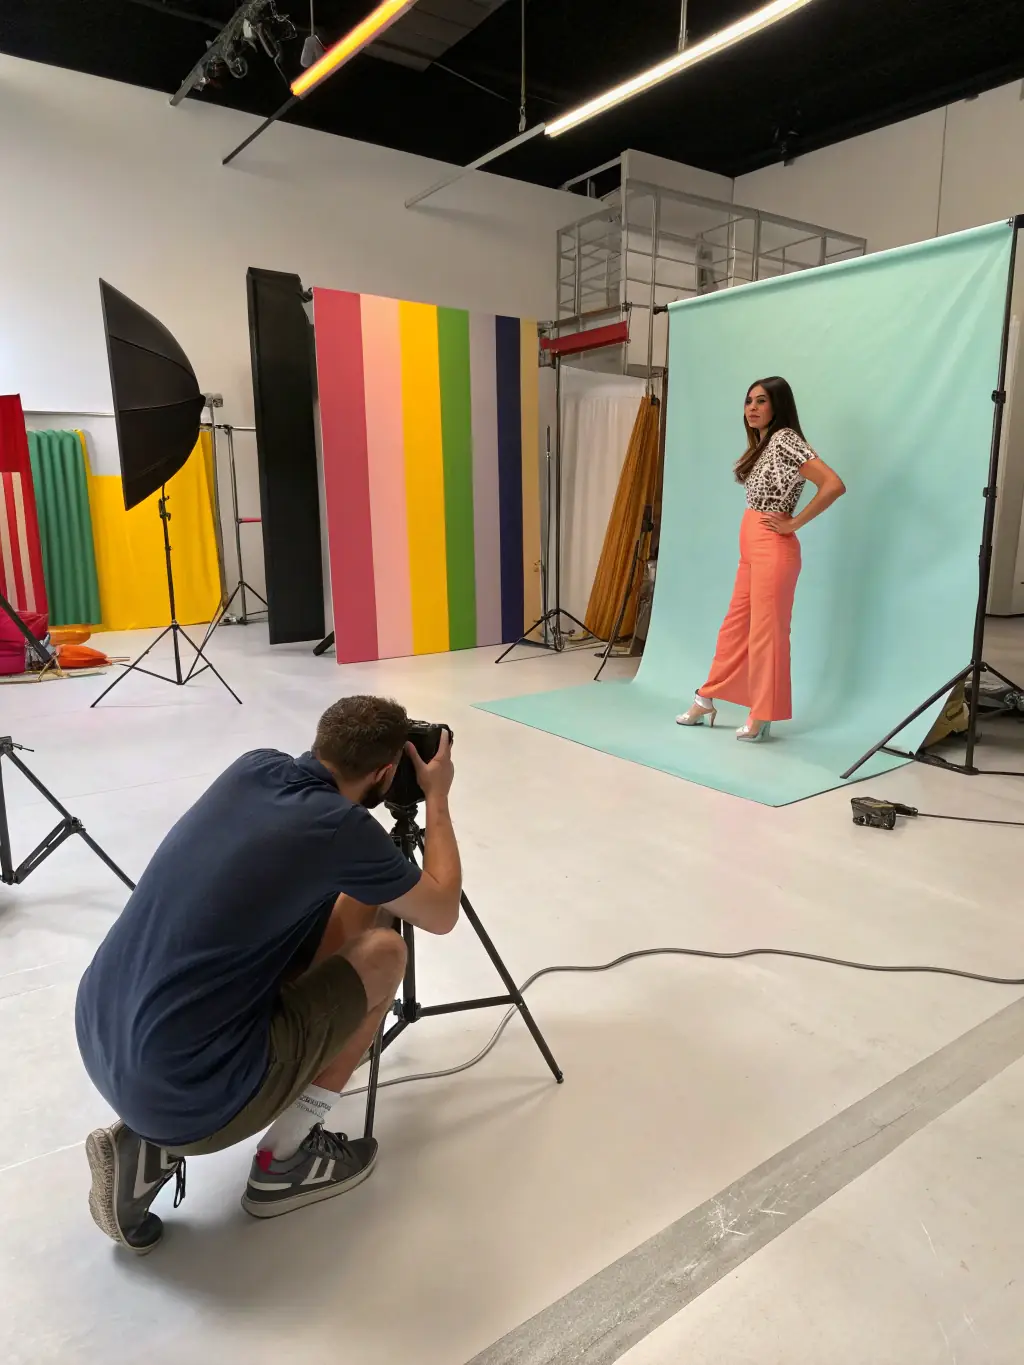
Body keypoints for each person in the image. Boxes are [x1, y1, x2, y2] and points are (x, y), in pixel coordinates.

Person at [75, 695, 461, 1254]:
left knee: (355, 892)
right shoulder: (342, 831)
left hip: (105, 1035)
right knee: (383, 953)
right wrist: (437, 798)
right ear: (384, 773)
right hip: (186, 1085)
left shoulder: (254, 766)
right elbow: (441, 911)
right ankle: (283, 1163)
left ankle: (150, 1145)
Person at [676, 376, 845, 740]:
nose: (751, 408)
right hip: (751, 547)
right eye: (748, 401)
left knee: (767, 634)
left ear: (777, 406)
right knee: (735, 628)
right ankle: (706, 698)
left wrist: (795, 523)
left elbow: (833, 483)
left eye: (761, 401)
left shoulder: (785, 439)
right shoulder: (765, 443)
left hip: (773, 548)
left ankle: (762, 715)